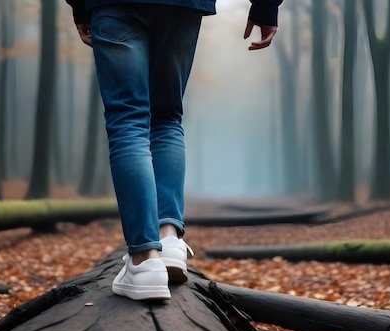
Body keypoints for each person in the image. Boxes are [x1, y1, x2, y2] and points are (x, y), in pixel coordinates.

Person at [66, 0, 282, 301]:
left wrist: (80, 7)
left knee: (128, 121)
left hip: (114, 5)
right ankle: (169, 240)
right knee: (167, 118)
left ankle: (143, 261)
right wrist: (265, 6)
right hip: (183, 5)